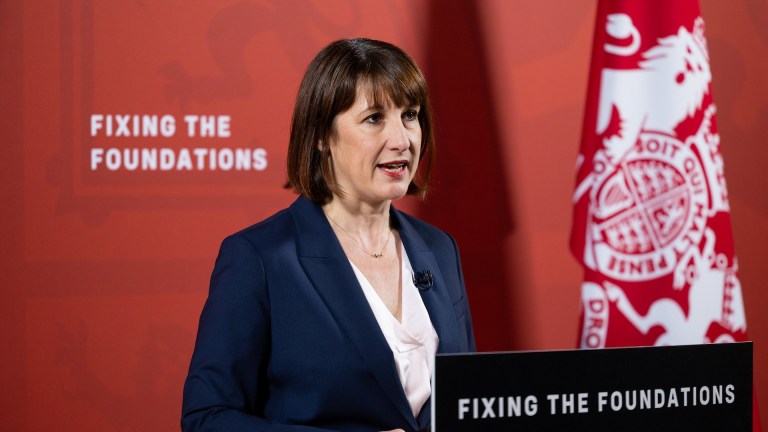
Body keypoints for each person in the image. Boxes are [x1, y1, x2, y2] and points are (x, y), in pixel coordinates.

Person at [181, 37, 475, 432]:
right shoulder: (260, 259)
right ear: (321, 135)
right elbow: (207, 419)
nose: (402, 140)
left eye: (410, 115)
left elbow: (467, 404)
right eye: (374, 119)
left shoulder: (439, 249)